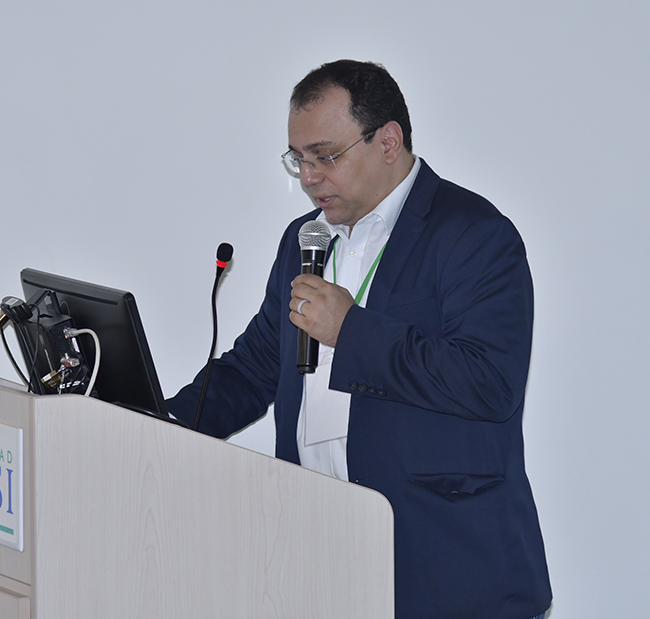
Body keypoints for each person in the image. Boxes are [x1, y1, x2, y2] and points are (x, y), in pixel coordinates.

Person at [166, 59, 552, 619]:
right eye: (298, 159)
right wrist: (159, 420)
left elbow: (489, 382)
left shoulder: (473, 234)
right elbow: (255, 368)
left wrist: (350, 330)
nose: (308, 177)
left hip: (449, 571)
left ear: (388, 141)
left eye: (325, 156)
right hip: (324, 564)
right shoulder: (303, 240)